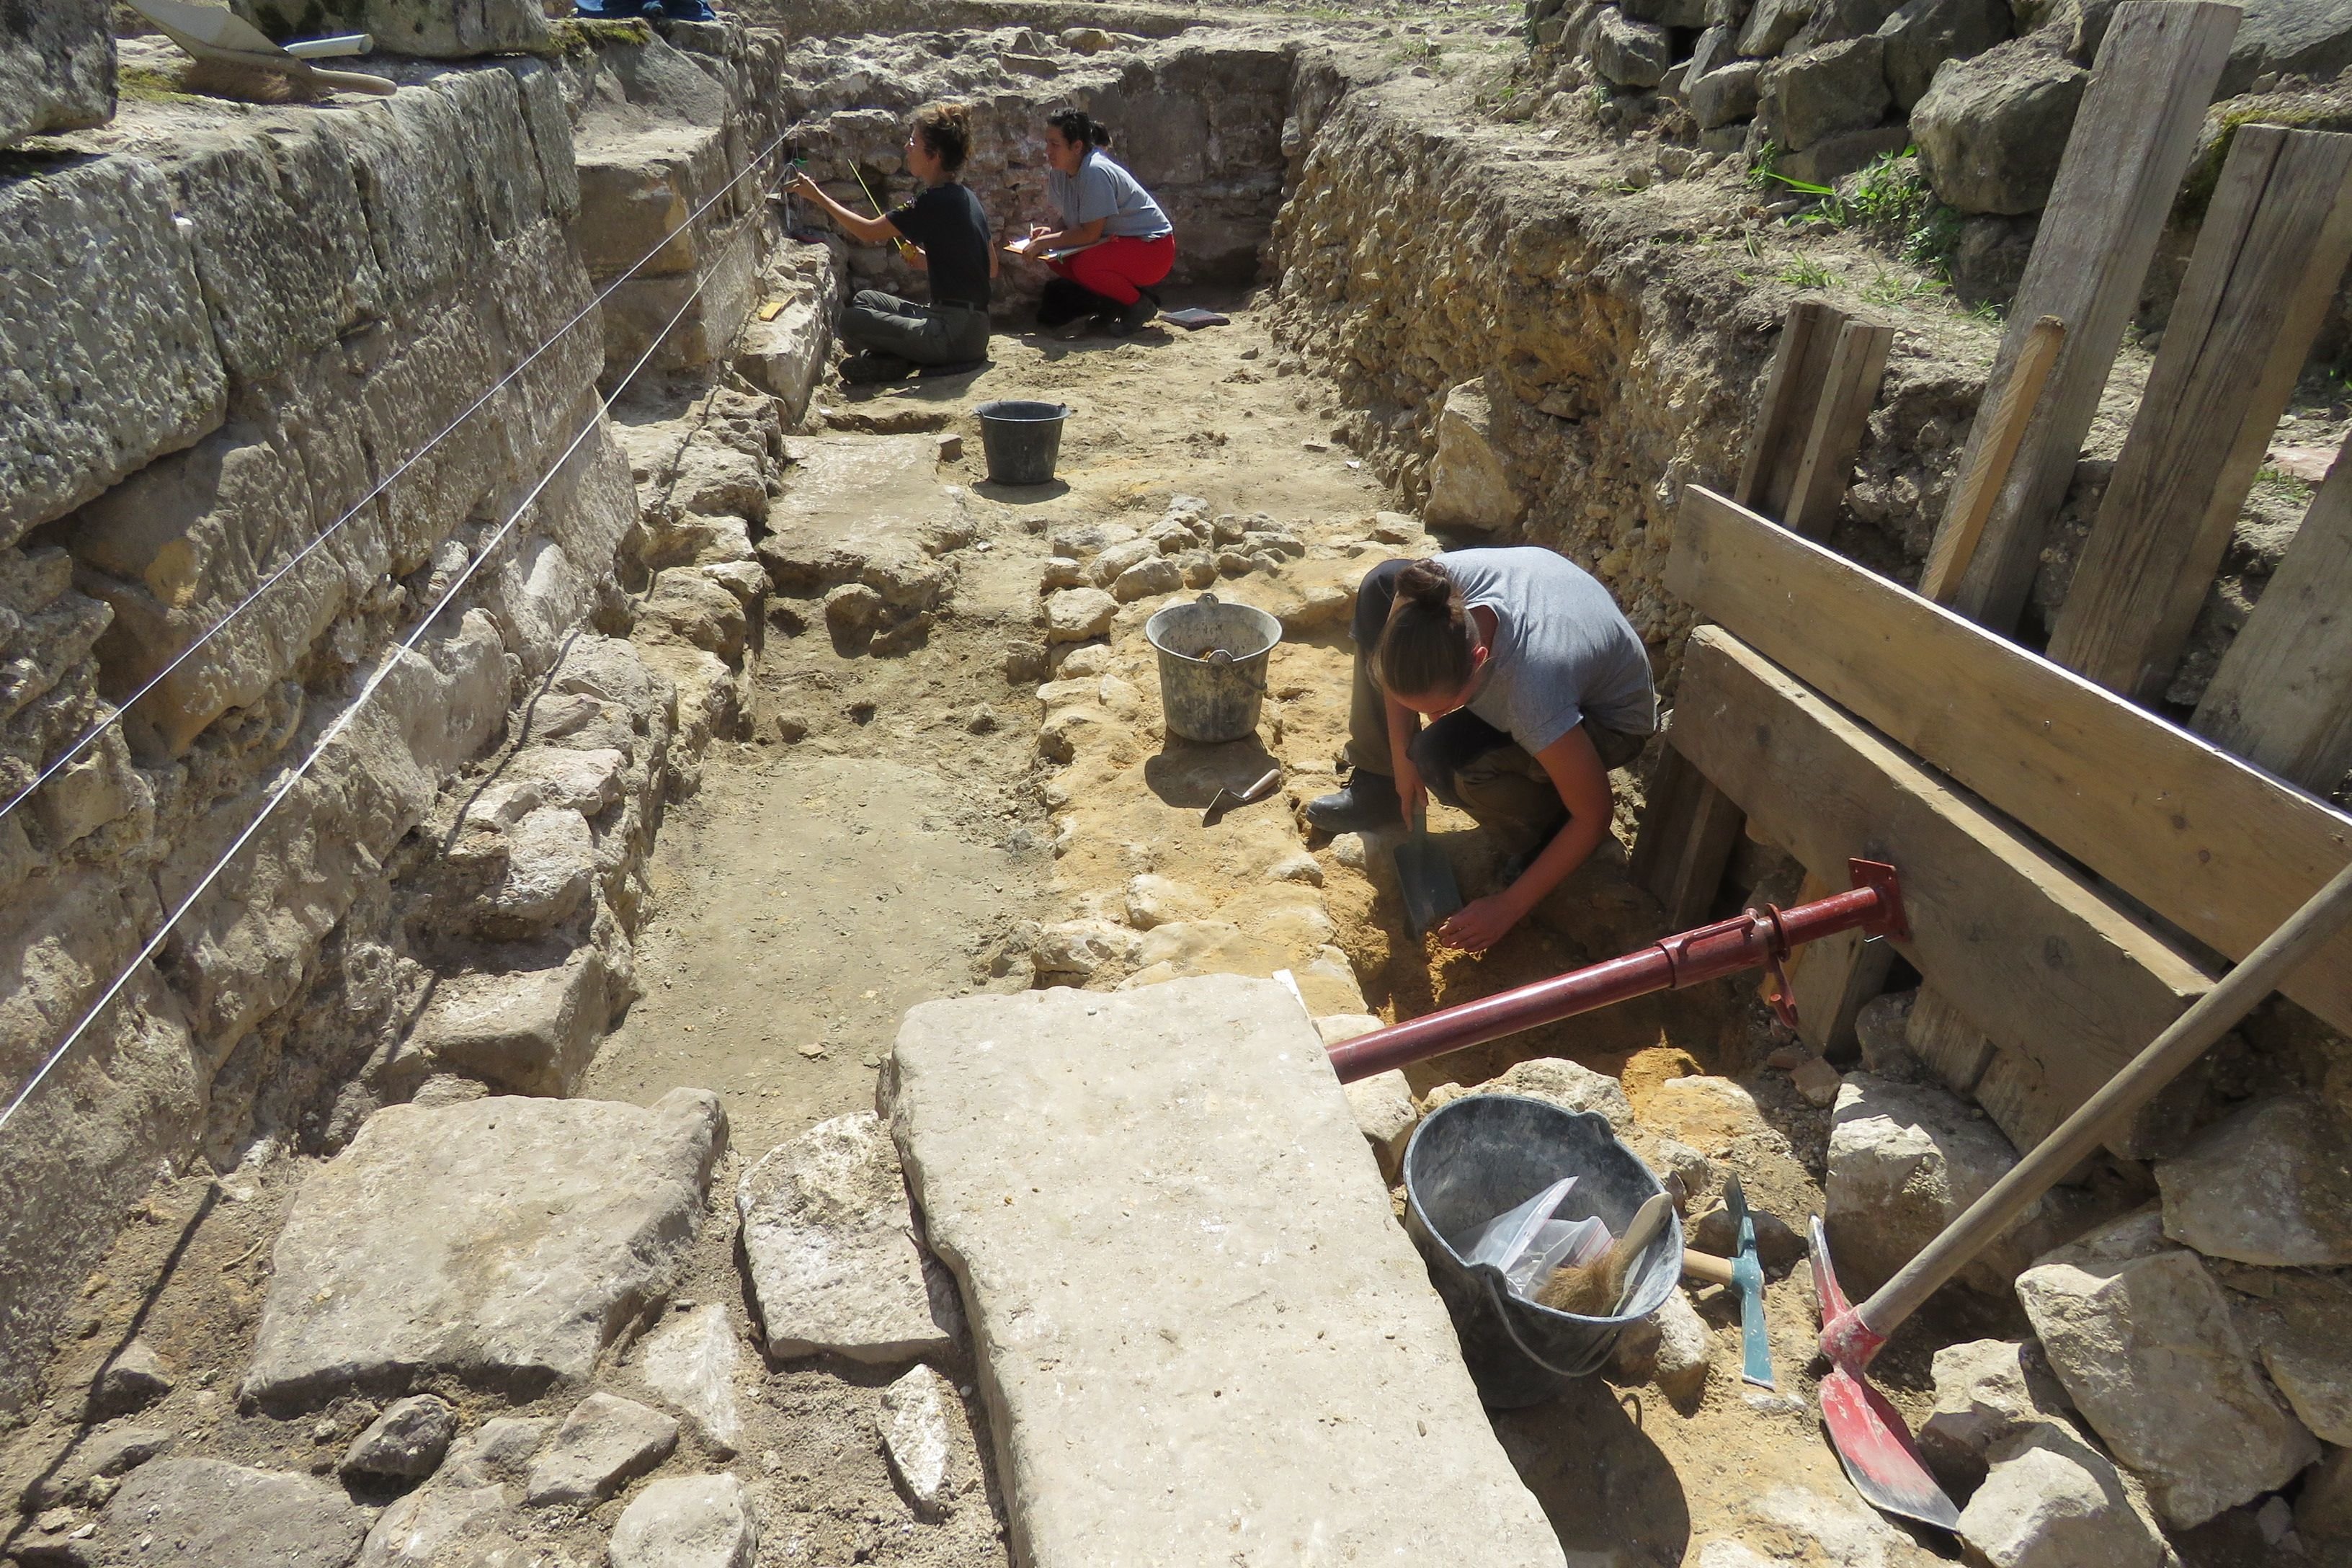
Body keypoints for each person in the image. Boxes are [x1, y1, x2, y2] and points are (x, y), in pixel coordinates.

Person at [1305, 551, 1658, 953]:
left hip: (1605, 721)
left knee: (1443, 758)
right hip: (1551, 654)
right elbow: (1400, 660)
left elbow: (1595, 814)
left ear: (1479, 659)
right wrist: (1399, 760)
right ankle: (1379, 784)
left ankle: (1545, 831)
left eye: (1441, 707)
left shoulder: (1532, 691)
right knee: (1377, 585)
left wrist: (1509, 906)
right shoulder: (1422, 593)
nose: (1434, 717)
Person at [785, 102, 995, 384]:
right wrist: (925, 259)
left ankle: (900, 359)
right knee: (866, 300)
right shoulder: (967, 197)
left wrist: (817, 196)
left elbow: (869, 233)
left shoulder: (933, 200)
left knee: (851, 320)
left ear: (934, 155)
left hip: (951, 335)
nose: (907, 147)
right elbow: (990, 268)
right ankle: (901, 358)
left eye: (914, 142)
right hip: (973, 329)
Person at [1008, 108, 1174, 335]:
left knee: (1085, 265)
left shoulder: (1095, 171)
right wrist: (1048, 235)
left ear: (1077, 147)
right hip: (1119, 243)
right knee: (1055, 259)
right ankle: (1113, 303)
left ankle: (1139, 306)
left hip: (1154, 249)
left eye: (1055, 145)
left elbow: (1089, 234)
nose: (1047, 151)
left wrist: (1048, 240)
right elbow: (1069, 222)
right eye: (1048, 143)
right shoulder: (1061, 171)